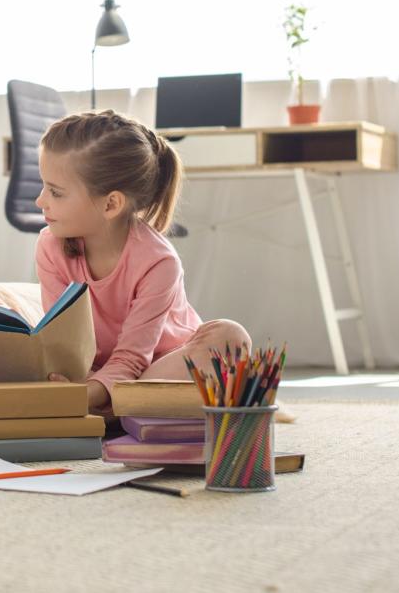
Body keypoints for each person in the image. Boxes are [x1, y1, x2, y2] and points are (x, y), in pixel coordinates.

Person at [34, 109, 251, 415]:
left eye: (55, 192)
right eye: (43, 186)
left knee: (229, 337)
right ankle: (122, 408)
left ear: (111, 204)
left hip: (161, 366)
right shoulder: (49, 246)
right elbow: (62, 345)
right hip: (101, 375)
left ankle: (115, 410)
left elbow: (133, 358)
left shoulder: (158, 262)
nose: (40, 201)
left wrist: (89, 394)